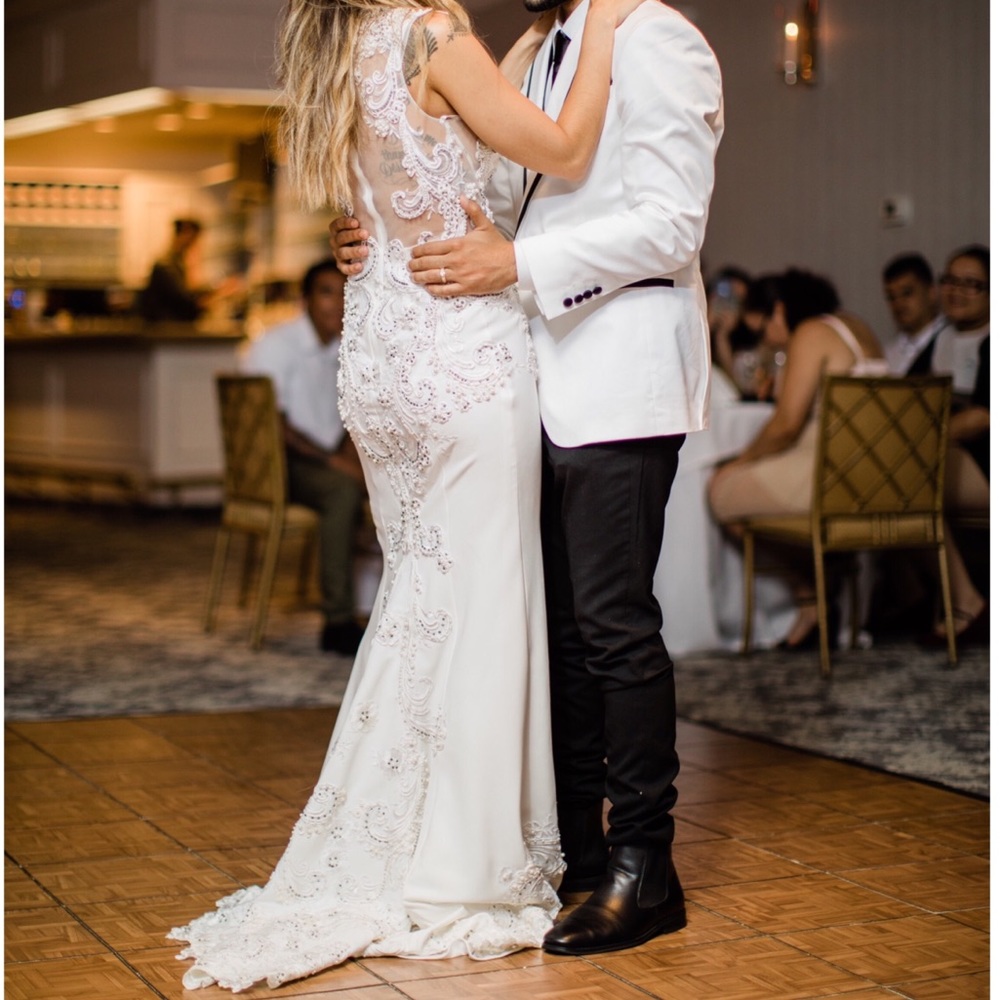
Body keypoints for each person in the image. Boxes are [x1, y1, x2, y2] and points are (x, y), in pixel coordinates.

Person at [169, 0, 642, 989]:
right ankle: (462, 865)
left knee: (420, 602)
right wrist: (602, 30)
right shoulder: (427, 30)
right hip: (457, 351)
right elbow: (559, 146)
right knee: (475, 608)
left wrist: (370, 237)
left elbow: (389, 196)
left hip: (381, 355)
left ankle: (404, 832)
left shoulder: (338, 44)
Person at [333, 0, 723, 957]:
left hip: (619, 377)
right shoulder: (542, 51)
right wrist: (383, 238)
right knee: (561, 634)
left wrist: (521, 261)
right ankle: (581, 860)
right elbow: (508, 187)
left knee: (614, 628)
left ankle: (645, 866)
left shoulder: (656, 38)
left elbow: (672, 221)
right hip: (521, 372)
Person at [708, 269, 887, 649]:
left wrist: (741, 460)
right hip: (877, 473)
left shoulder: (810, 334)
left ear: (780, 310)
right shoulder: (856, 327)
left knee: (720, 490)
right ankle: (821, 588)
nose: (763, 334)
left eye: (764, 324)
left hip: (829, 474)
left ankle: (809, 595)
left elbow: (786, 425)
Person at [241, 260, 368, 656]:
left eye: (345, 293)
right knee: (343, 492)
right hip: (276, 466)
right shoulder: (274, 345)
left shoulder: (346, 344)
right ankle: (338, 621)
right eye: (326, 292)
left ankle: (391, 612)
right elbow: (271, 426)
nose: (337, 304)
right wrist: (337, 464)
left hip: (322, 457)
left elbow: (353, 414)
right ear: (305, 299)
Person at [923, 245, 989, 645]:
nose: (956, 290)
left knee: (907, 484)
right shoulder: (940, 337)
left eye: (971, 284)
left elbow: (984, 415)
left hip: (983, 462)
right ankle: (915, 595)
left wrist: (922, 440)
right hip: (944, 454)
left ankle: (966, 601)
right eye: (949, 280)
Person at [140, 218, 241, 323]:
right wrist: (218, 293)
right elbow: (186, 301)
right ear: (185, 233)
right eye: (194, 239)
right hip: (166, 329)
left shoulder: (176, 262)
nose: (195, 244)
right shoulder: (166, 265)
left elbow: (191, 293)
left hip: (171, 328)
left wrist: (217, 289)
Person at [881, 253, 949, 375]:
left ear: (931, 293)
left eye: (907, 293)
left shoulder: (950, 341)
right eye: (891, 297)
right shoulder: (887, 353)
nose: (898, 304)